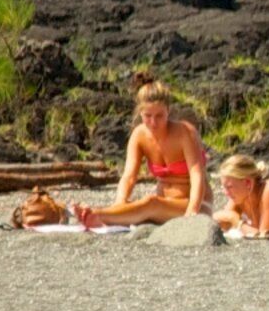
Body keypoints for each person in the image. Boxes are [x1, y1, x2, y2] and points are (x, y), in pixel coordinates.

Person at [75, 80, 211, 229]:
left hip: (196, 204)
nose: (153, 122)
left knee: (150, 203)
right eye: (148, 116)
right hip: (163, 205)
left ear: (168, 110)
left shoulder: (185, 132)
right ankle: (105, 215)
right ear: (140, 113)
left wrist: (191, 213)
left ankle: (97, 215)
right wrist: (120, 204)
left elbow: (197, 175)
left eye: (159, 116)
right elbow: (129, 176)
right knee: (140, 206)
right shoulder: (139, 135)